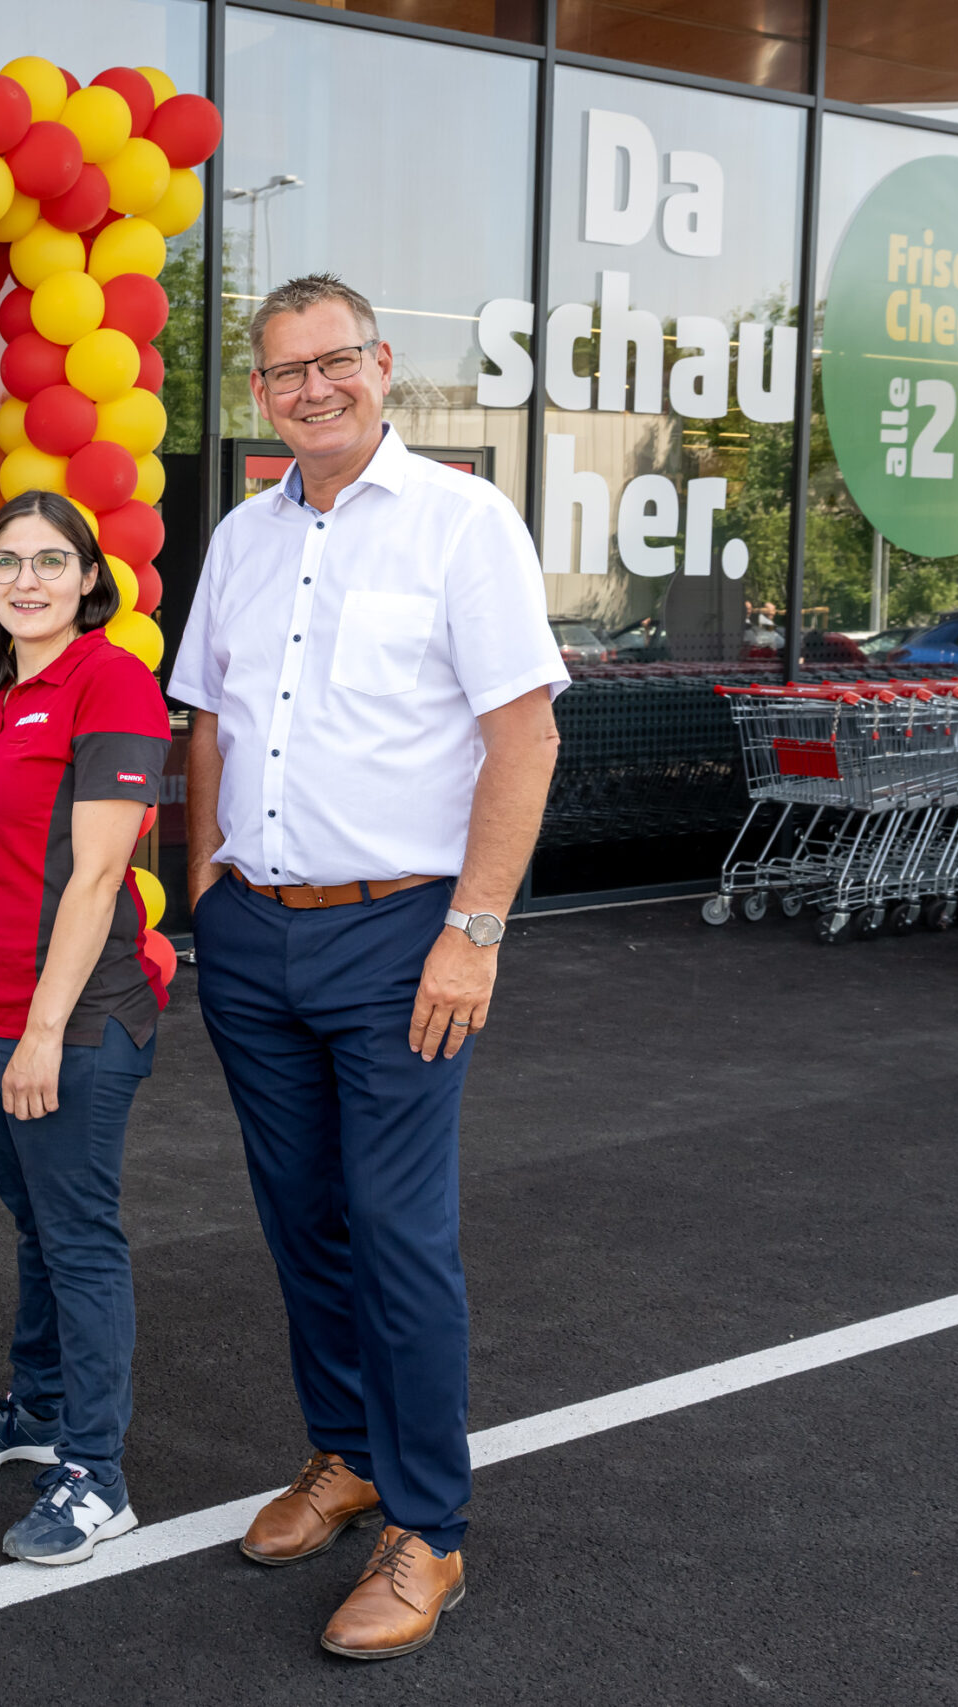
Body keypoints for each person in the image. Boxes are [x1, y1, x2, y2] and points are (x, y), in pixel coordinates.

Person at [171, 274, 567, 1661]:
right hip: (257, 932)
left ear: (382, 365)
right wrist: (210, 868)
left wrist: (474, 927)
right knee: (301, 1217)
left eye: (334, 361)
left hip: (403, 933)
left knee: (399, 1231)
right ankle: (342, 1452)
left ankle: (429, 1524)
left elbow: (525, 735)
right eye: (285, 373)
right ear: (263, 394)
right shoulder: (240, 534)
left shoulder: (466, 523)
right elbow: (208, 712)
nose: (312, 388)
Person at [0, 490, 171, 1566]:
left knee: (79, 1236)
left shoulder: (112, 682)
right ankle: (41, 1405)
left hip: (72, 1021)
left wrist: (44, 1032)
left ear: (87, 577)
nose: (26, 580)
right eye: (7, 562)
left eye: (50, 562)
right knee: (34, 1221)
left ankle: (96, 1477)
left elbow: (99, 871)